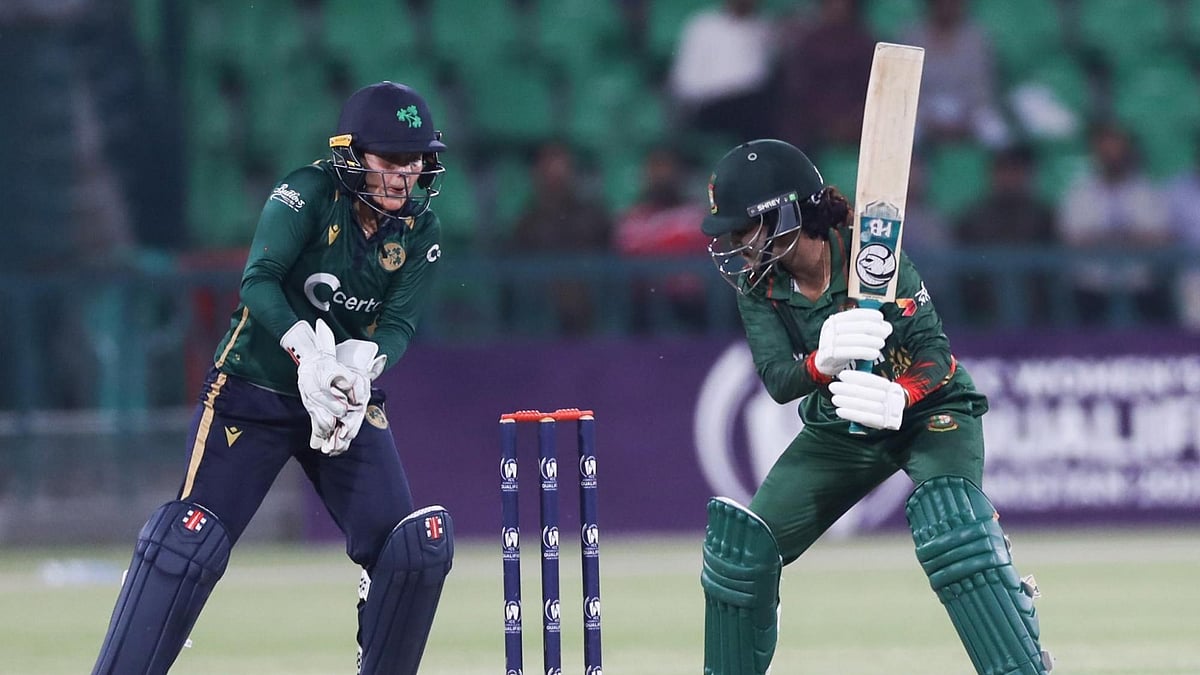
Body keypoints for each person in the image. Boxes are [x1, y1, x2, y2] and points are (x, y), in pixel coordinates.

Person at [92, 81, 455, 675]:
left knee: (408, 550)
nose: (403, 177)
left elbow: (398, 322)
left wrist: (363, 369)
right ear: (352, 155)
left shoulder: (421, 229)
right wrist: (305, 355)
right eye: (390, 161)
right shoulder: (306, 193)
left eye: (414, 162)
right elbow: (259, 280)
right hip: (251, 389)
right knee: (187, 543)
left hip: (339, 402)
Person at [697, 139, 1053, 674]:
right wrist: (825, 361)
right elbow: (777, 379)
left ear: (786, 213)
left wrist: (901, 393)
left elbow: (934, 349)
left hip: (931, 413)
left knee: (954, 527)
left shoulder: (872, 248)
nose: (736, 243)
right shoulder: (759, 286)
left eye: (744, 228)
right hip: (843, 424)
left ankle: (1024, 663)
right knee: (743, 552)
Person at [1057, 122, 1173, 325]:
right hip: (1092, 286)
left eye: (1116, 150)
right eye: (1105, 151)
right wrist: (1129, 237)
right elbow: (1071, 240)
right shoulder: (1078, 195)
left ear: (1127, 152)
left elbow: (1159, 238)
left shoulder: (1147, 192)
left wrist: (1101, 238)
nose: (1111, 157)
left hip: (1139, 284)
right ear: (1095, 154)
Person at [508, 140, 613, 336]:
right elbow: (516, 270)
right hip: (542, 316)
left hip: (590, 313)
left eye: (562, 168)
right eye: (549, 168)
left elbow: (611, 262)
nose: (556, 174)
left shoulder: (594, 216)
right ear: (537, 174)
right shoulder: (527, 223)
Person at [614, 145, 712, 332]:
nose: (662, 174)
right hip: (645, 308)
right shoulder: (632, 218)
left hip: (693, 305)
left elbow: (707, 252)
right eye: (655, 167)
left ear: (679, 172)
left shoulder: (696, 214)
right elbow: (631, 257)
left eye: (667, 166)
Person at [667, 0, 776, 143]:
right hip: (708, 105)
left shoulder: (765, 27)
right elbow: (685, 82)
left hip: (753, 104)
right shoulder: (704, 25)